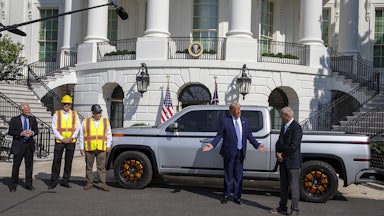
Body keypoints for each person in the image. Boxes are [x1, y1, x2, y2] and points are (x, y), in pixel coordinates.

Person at [202, 102, 266, 204]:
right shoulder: (225, 121)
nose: (238, 112)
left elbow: (249, 135)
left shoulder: (245, 121)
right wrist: (212, 145)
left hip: (240, 153)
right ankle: (226, 195)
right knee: (228, 175)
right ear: (231, 111)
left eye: (239, 110)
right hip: (228, 152)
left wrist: (257, 145)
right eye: (236, 110)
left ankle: (237, 197)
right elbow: (219, 135)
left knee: (238, 176)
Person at [270, 106, 303, 216]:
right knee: (283, 185)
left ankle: (295, 209)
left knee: (294, 186)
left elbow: (294, 145)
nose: (280, 117)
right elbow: (279, 142)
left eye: (281, 115)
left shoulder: (296, 128)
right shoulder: (284, 126)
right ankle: (282, 206)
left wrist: (283, 155)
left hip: (292, 162)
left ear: (287, 116)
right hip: (283, 161)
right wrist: (277, 153)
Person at [48, 95, 81, 189]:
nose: (66, 105)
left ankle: (65, 180)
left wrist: (71, 137)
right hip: (60, 141)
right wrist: (62, 138)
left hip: (71, 141)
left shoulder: (75, 114)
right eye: (65, 103)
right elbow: (54, 128)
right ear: (62, 104)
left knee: (68, 161)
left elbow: (78, 127)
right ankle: (53, 181)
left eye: (68, 103)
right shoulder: (57, 114)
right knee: (56, 161)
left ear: (71, 104)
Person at [79, 104, 112, 192]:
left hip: (101, 148)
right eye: (97, 113)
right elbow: (81, 135)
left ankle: (102, 184)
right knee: (89, 167)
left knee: (101, 167)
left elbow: (109, 134)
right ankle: (89, 183)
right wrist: (81, 147)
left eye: (100, 113)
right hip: (89, 148)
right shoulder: (86, 121)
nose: (99, 115)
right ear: (93, 113)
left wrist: (108, 145)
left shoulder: (105, 121)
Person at [8, 103, 38, 192]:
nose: (29, 111)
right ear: (22, 110)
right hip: (19, 144)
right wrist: (21, 133)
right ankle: (13, 185)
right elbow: (11, 131)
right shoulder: (14, 120)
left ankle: (29, 185)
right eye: (27, 110)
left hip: (29, 145)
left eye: (29, 109)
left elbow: (36, 130)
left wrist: (32, 133)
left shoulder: (32, 119)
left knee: (29, 166)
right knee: (16, 166)